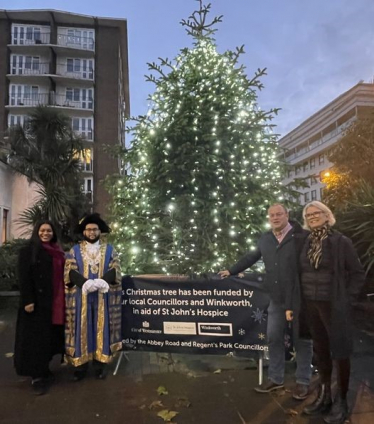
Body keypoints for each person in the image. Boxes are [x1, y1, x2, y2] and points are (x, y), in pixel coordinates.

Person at [219, 203, 313, 400]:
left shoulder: (301, 237)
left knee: (302, 340)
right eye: (272, 215)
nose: (275, 218)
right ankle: (276, 378)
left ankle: (303, 381)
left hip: (299, 299)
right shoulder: (266, 239)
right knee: (273, 338)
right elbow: (251, 257)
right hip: (277, 299)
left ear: (287, 215)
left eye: (279, 214)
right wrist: (231, 270)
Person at [286, 201, 365, 424]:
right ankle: (325, 396)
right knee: (320, 352)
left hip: (334, 306)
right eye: (308, 214)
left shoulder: (341, 242)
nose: (312, 217)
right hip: (311, 305)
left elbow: (358, 273)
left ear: (327, 215)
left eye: (316, 213)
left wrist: (347, 301)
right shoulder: (305, 242)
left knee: (339, 352)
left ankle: (342, 401)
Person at [64, 213, 122, 381]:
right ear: (84, 232)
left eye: (94, 229)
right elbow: (69, 271)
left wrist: (102, 282)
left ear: (99, 231)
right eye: (88, 229)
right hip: (81, 297)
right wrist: (85, 283)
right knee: (81, 328)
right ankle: (80, 367)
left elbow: (116, 268)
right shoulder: (74, 251)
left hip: (103, 298)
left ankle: (99, 366)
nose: (91, 232)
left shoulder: (110, 249)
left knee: (101, 329)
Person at [14, 220, 65, 395]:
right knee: (34, 341)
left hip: (53, 302)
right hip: (35, 304)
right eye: (42, 230)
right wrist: (28, 300)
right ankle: (36, 376)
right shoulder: (28, 251)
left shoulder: (57, 252)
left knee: (47, 338)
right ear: (37, 232)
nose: (45, 233)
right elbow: (24, 277)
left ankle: (44, 369)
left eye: (49, 230)